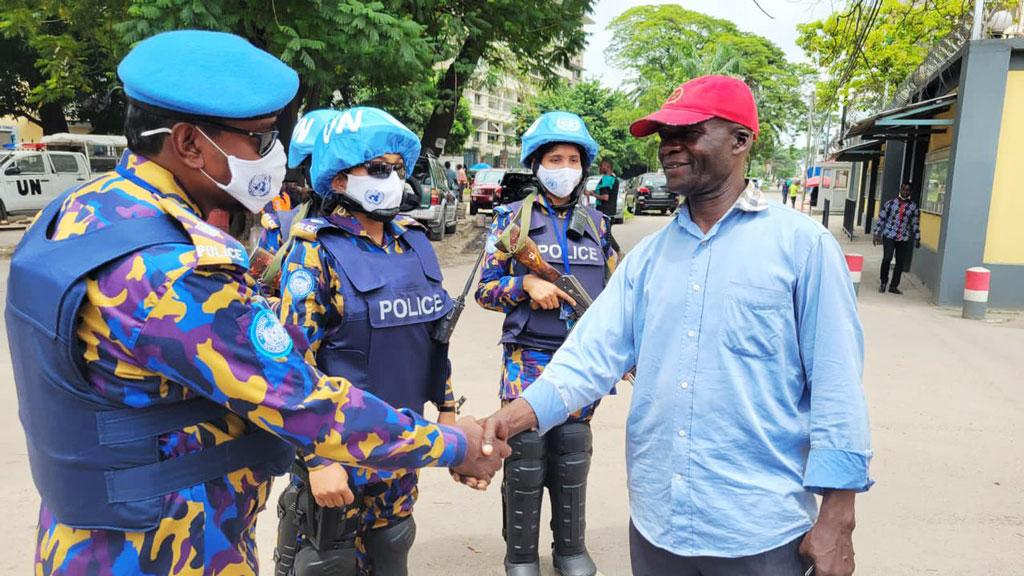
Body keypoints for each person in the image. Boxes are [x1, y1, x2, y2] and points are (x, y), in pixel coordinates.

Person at [5, 30, 506, 576]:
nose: (274, 155)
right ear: (190, 143)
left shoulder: (79, 213)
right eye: (260, 138)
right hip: (168, 548)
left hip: (92, 532)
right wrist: (455, 444)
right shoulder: (173, 271)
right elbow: (304, 401)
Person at [480, 76, 872, 576]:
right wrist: (504, 422)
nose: (670, 147)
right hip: (658, 527)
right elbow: (586, 360)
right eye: (665, 135)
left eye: (689, 131)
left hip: (759, 531)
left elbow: (837, 386)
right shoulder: (647, 260)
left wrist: (839, 515)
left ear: (740, 140)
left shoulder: (802, 248)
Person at [277, 106, 463, 575]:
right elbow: (290, 366)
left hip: (401, 450)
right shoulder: (314, 252)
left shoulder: (415, 245)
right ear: (338, 179)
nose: (393, 180)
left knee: (392, 550)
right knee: (327, 562)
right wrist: (317, 461)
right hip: (337, 453)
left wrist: (447, 409)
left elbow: (434, 337)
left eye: (399, 170)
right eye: (378, 170)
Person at [476, 111, 617, 576]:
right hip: (528, 356)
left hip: (582, 360)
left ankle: (570, 549)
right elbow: (484, 289)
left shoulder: (598, 224)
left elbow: (617, 296)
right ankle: (520, 555)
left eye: (573, 159)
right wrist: (524, 287)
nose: (565, 167)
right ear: (537, 164)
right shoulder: (511, 222)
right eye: (555, 158)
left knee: (572, 450)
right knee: (527, 452)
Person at [873, 182, 921, 295]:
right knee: (887, 258)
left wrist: (917, 238)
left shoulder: (913, 207)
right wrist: (876, 233)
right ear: (900, 189)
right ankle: (883, 282)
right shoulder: (890, 204)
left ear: (910, 192)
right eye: (903, 189)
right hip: (889, 235)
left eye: (907, 190)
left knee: (900, 262)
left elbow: (915, 223)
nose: (905, 192)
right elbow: (881, 219)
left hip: (903, 238)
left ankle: (894, 286)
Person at [593, 159, 622, 254]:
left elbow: (605, 197)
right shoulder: (615, 179)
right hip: (611, 211)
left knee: (605, 234)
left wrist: (593, 194)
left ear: (606, 166)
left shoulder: (606, 179)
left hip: (604, 212)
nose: (599, 168)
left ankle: (618, 252)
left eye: (601, 166)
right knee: (604, 234)